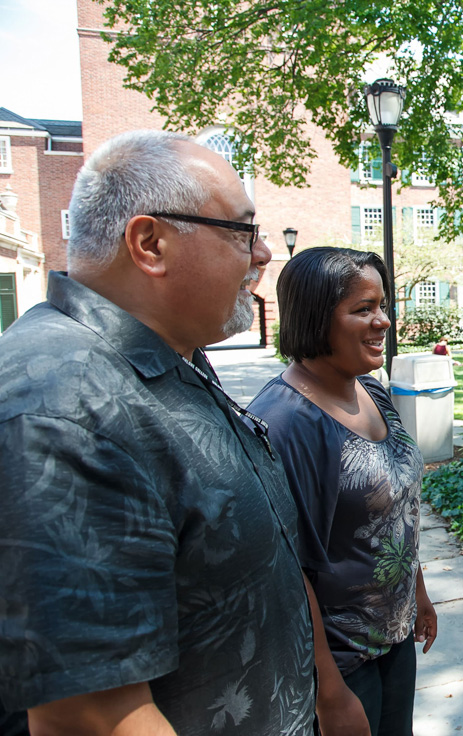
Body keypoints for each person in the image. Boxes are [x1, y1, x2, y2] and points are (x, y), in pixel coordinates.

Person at [0, 130, 316, 735]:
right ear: (150, 243)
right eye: (242, 232)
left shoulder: (169, 354)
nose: (264, 254)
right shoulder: (65, 407)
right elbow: (93, 716)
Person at [248, 247, 437, 736]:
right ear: (315, 317)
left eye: (382, 305)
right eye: (363, 309)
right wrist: (328, 693)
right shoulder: (287, 422)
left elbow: (394, 509)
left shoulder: (370, 389)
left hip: (392, 638)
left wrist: (417, 591)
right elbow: (289, 571)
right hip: (341, 661)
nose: (384, 322)